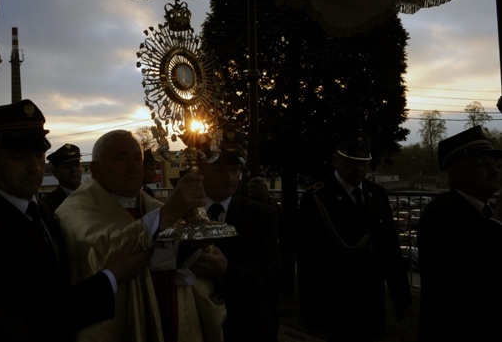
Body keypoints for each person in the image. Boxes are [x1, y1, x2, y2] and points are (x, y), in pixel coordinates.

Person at [0, 100, 151, 342]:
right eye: (19, 157)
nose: (34, 167)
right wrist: (111, 276)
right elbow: (31, 313)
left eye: (39, 155)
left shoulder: (39, 210)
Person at [55, 129, 226, 342]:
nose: (133, 166)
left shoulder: (153, 205)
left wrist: (192, 251)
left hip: (170, 315)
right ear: (96, 170)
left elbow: (175, 256)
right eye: (121, 158)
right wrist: (169, 213)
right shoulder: (72, 210)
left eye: (138, 158)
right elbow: (100, 250)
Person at [296, 134, 411, 342]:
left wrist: (401, 298)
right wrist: (310, 311)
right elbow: (308, 258)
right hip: (336, 299)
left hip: (373, 299)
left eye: (363, 163)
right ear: (336, 161)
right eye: (351, 162)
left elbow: (391, 249)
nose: (359, 168)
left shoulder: (377, 194)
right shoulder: (317, 197)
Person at [190, 128, 283, 342]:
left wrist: (227, 271)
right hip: (196, 326)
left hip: (248, 327)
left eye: (235, 170)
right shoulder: (182, 212)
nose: (230, 178)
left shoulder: (261, 214)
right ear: (200, 168)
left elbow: (273, 274)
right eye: (220, 170)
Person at [417, 125, 502, 341]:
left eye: (496, 165)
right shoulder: (440, 213)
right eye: (483, 164)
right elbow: (467, 270)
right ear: (458, 172)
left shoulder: (485, 210)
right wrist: (498, 222)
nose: (495, 171)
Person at [42, 143, 83, 213]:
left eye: (77, 165)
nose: (74, 169)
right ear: (56, 173)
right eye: (67, 166)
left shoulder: (94, 195)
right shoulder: (46, 205)